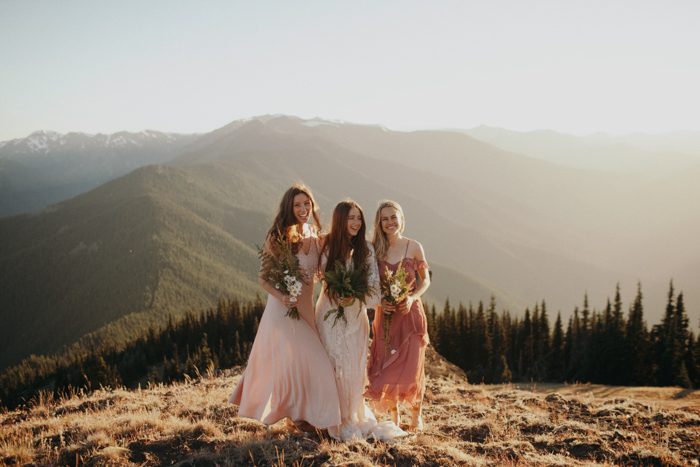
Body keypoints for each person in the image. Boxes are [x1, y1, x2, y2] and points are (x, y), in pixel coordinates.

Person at [229, 183, 341, 430]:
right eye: (298, 205)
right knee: (314, 362)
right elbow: (263, 277)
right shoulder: (278, 236)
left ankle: (301, 417)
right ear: (289, 208)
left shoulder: (314, 233)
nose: (303, 209)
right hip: (283, 310)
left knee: (299, 364)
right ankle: (310, 418)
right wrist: (283, 297)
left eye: (307, 204)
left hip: (306, 308)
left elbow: (320, 272)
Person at [315, 200, 405, 441]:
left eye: (358, 218)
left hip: (356, 318)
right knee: (333, 365)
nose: (355, 223)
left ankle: (349, 415)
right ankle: (329, 415)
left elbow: (375, 290)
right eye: (350, 218)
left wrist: (353, 297)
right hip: (329, 316)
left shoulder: (367, 249)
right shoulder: (326, 246)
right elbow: (323, 277)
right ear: (339, 220)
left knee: (353, 369)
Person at [365, 200, 431, 430]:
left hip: (411, 315)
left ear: (401, 218)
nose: (390, 222)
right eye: (385, 219)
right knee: (387, 367)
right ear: (379, 223)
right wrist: (381, 302)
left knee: (413, 366)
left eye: (394, 217)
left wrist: (413, 297)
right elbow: (371, 283)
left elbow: (426, 280)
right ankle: (395, 418)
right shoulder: (375, 249)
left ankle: (416, 416)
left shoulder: (413, 246)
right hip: (387, 317)